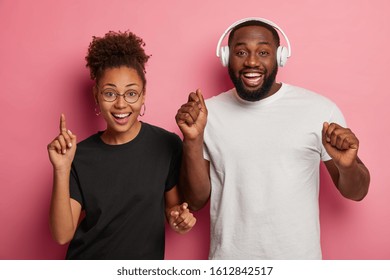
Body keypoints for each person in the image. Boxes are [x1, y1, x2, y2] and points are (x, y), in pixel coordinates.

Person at [175, 18, 370, 259]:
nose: (252, 61)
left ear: (280, 56)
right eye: (241, 52)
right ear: (226, 57)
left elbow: (357, 192)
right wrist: (192, 139)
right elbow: (195, 201)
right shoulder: (206, 114)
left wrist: (348, 165)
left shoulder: (319, 110)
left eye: (263, 52)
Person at [47, 31, 196, 260]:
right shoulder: (78, 155)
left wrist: (179, 219)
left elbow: (173, 208)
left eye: (131, 94)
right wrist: (61, 168)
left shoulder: (166, 144)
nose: (120, 104)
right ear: (96, 95)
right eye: (109, 93)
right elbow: (62, 235)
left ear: (143, 95)